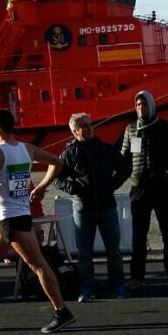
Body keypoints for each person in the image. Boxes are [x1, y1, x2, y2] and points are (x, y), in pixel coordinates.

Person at [0, 108, 75, 334]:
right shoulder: (27, 149)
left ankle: (61, 311)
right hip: (15, 218)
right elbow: (57, 162)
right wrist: (41, 187)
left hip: (12, 220)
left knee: (38, 265)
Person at [56, 113, 131, 302]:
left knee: (113, 251)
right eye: (84, 126)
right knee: (84, 254)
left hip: (107, 206)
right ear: (74, 131)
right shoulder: (69, 154)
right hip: (83, 208)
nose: (89, 128)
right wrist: (74, 188)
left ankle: (118, 286)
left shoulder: (106, 149)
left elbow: (124, 168)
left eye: (90, 124)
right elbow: (57, 178)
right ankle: (86, 289)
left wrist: (113, 184)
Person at [121, 91, 168, 288]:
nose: (141, 108)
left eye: (144, 104)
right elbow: (124, 158)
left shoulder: (164, 127)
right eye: (138, 105)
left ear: (151, 105)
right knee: (138, 235)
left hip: (161, 187)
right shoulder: (132, 129)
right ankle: (137, 277)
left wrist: (167, 171)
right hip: (139, 189)